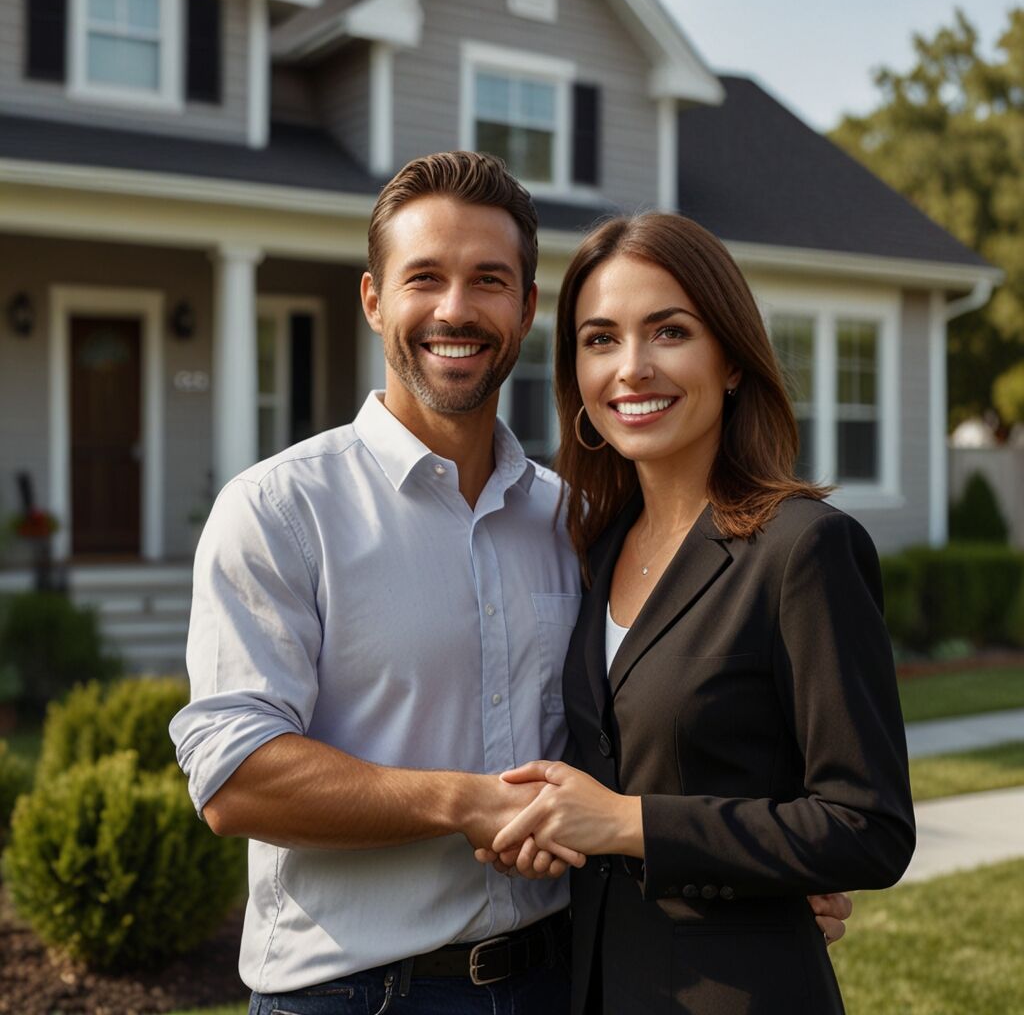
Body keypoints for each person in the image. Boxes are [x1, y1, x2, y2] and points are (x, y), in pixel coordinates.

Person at [170, 154, 852, 1015]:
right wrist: (464, 803)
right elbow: (236, 780)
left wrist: (765, 869)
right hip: (358, 994)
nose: (456, 309)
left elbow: (652, 739)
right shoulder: (279, 512)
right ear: (374, 299)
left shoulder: (577, 524)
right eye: (426, 278)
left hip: (561, 980)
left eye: (488, 280)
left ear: (527, 311)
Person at [482, 213, 915, 1014]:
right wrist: (563, 830)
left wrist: (629, 823)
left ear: (733, 361)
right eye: (601, 339)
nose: (632, 369)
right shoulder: (595, 546)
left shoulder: (805, 550)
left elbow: (868, 825)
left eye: (669, 332)